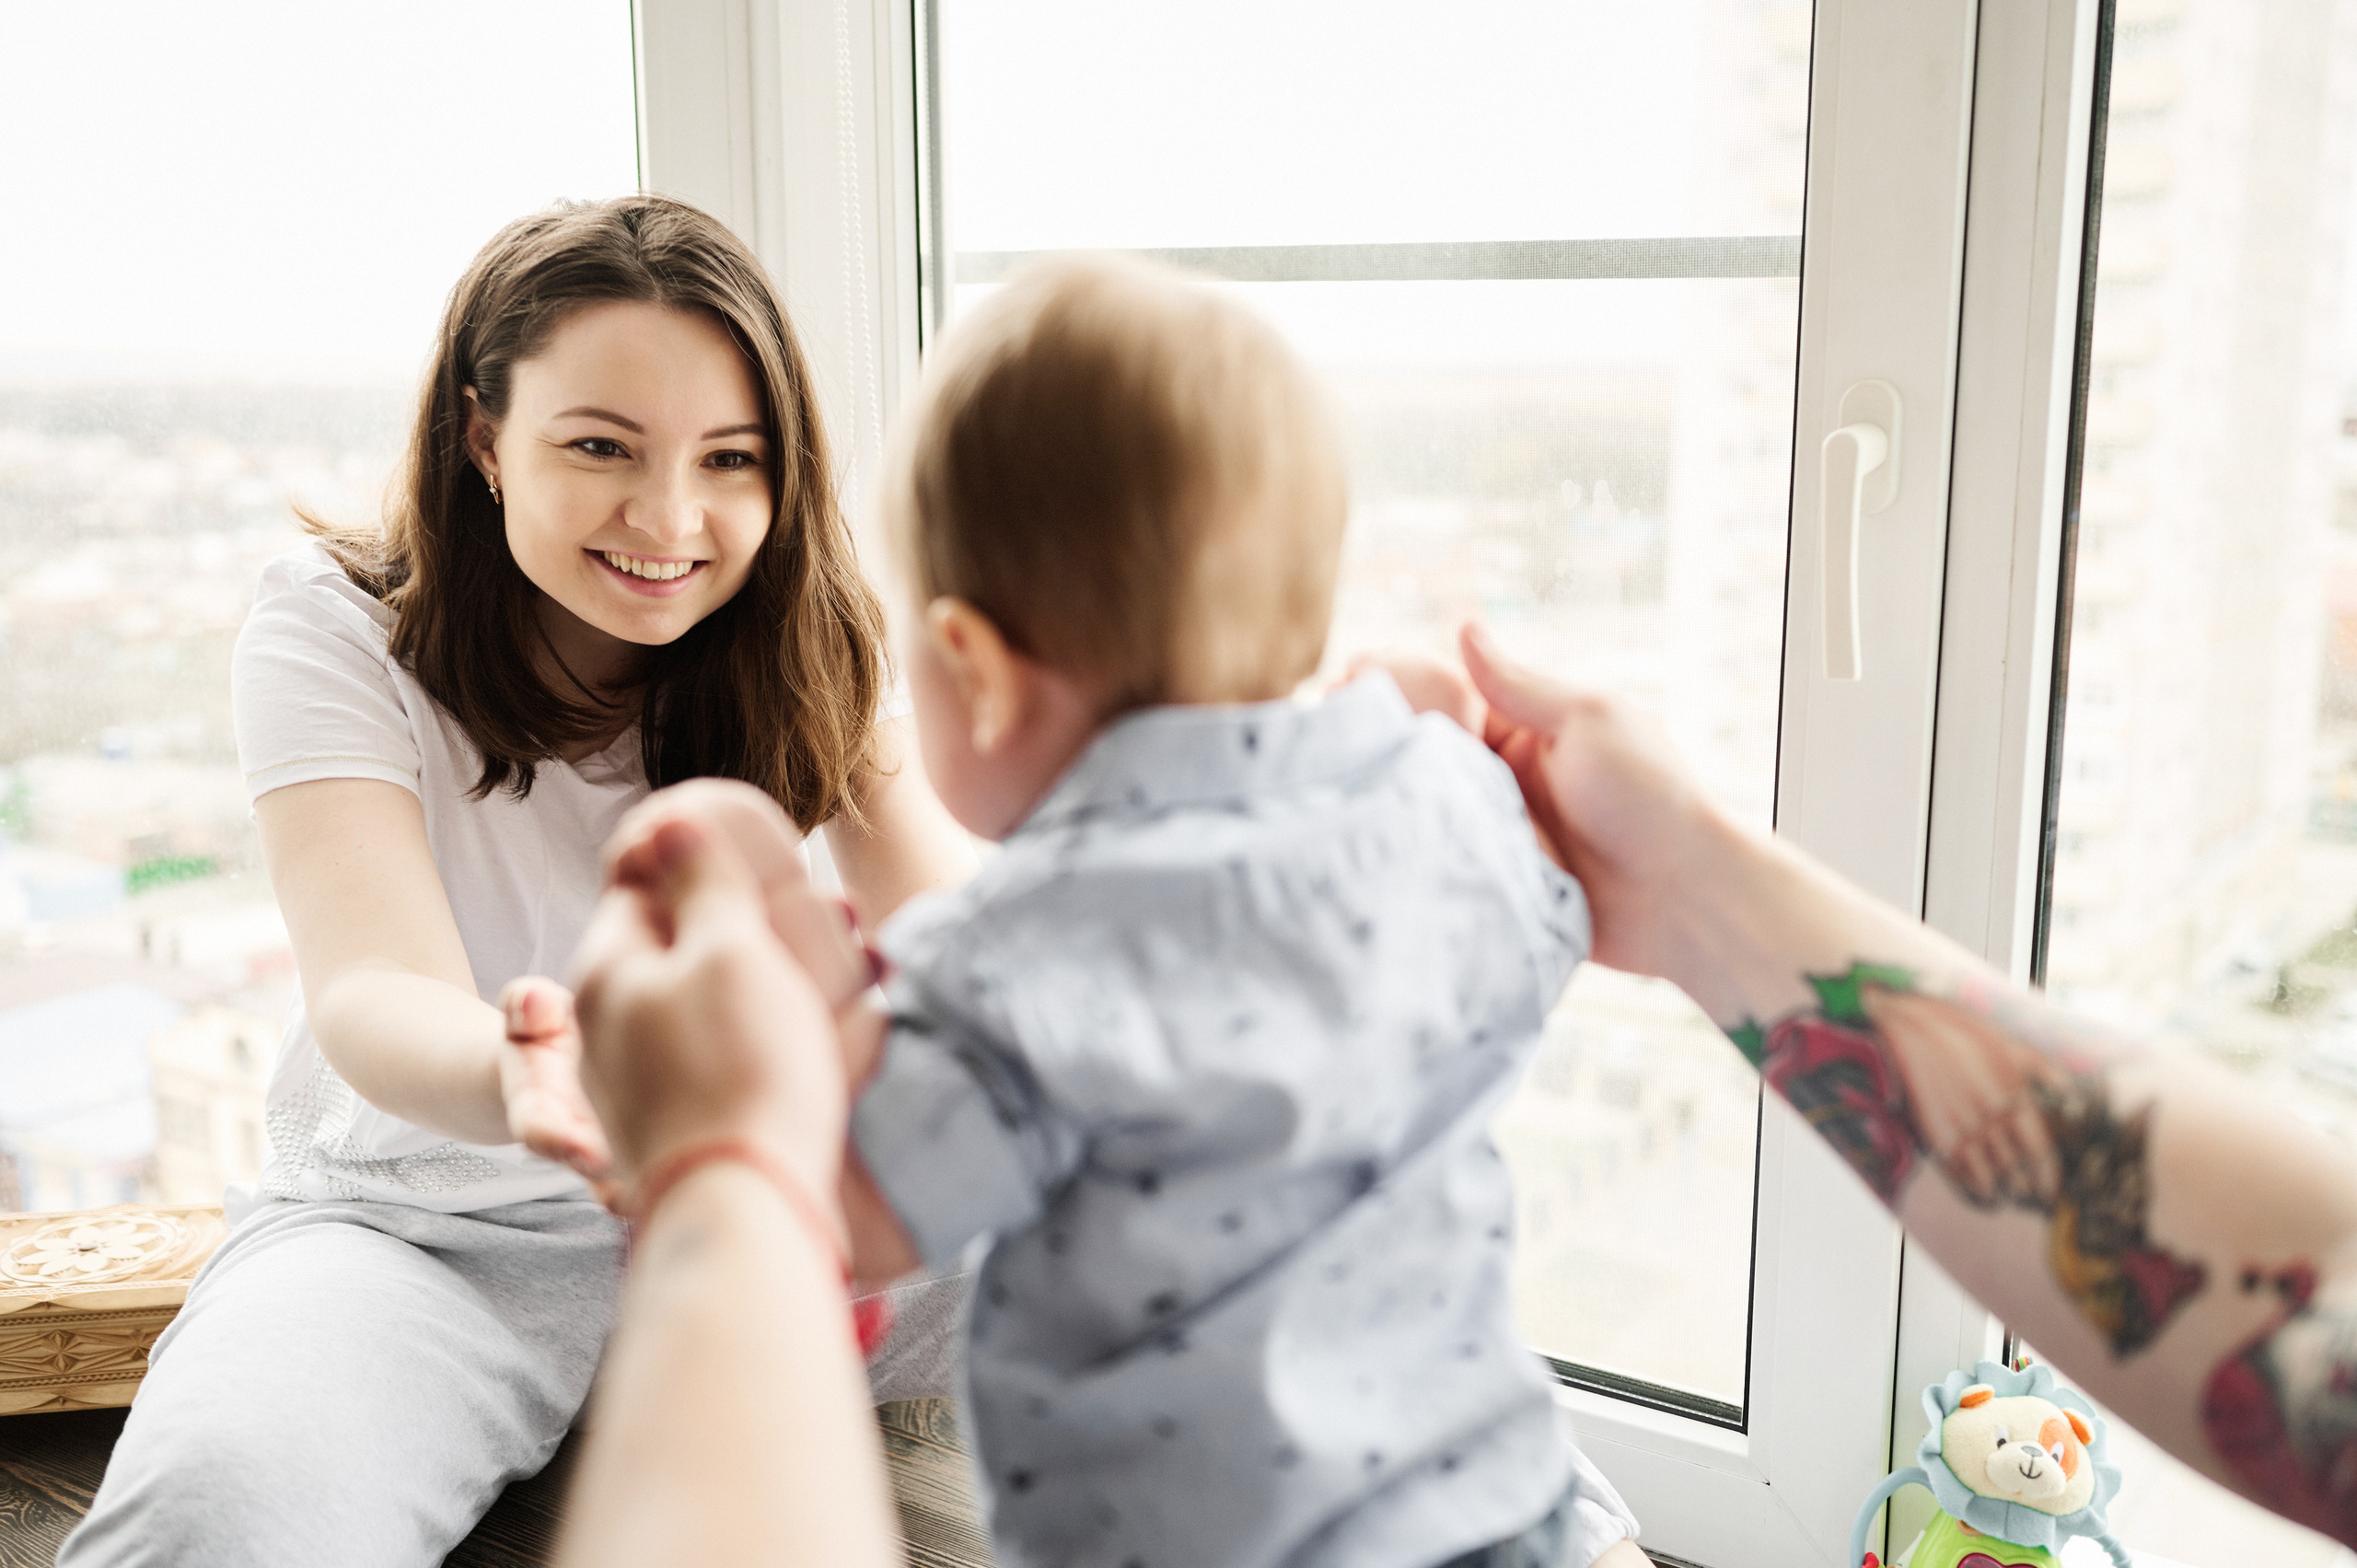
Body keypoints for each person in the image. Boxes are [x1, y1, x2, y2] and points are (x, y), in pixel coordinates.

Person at [563, 619, 2357, 1565]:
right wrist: (1686, 887)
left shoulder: (1012, 966)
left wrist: (733, 1154)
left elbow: (876, 1198)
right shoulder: (1440, 858)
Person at [552, 254, 1652, 1568]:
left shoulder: (1009, 960)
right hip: (1507, 1517)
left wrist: (784, 985)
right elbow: (1548, 908)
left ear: (971, 668)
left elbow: (836, 1215)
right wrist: (1429, 742)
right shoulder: (1435, 821)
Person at [58, 195, 974, 1568]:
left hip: (770, 1211)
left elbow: (963, 949)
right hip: (422, 1246)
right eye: (601, 446)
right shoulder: (334, 625)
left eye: (733, 459)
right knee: (210, 1530)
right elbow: (374, 990)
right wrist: (540, 1073)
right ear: (485, 440)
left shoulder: (816, 631)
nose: (670, 517)